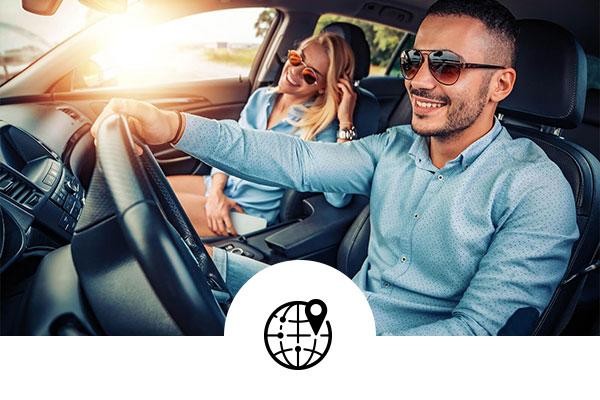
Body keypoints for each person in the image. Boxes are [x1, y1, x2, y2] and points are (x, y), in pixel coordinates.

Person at [91, 0, 579, 335]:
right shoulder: (394, 146)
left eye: (446, 66)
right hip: (338, 311)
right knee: (190, 261)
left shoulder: (536, 188)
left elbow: (476, 334)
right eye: (414, 62)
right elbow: (295, 158)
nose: (420, 82)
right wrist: (174, 126)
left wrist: (333, 352)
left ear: (501, 85)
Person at [168, 32, 357, 237]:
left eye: (310, 75)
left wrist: (345, 121)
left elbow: (339, 198)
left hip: (248, 214)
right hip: (221, 187)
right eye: (297, 59)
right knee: (149, 186)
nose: (294, 72)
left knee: (154, 207)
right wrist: (215, 193)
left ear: (323, 88)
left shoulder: (320, 129)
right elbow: (226, 146)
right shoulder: (261, 98)